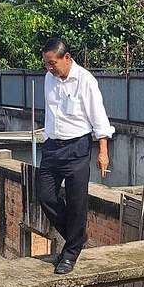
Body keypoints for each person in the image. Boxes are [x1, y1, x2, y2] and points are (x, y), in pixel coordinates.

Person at [37, 38, 114, 275]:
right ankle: (77, 238)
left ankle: (70, 254)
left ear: (67, 58)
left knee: (77, 202)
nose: (49, 68)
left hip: (77, 147)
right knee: (45, 195)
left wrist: (103, 151)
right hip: (52, 146)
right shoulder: (48, 79)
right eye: (46, 64)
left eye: (52, 63)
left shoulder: (85, 81)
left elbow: (98, 117)